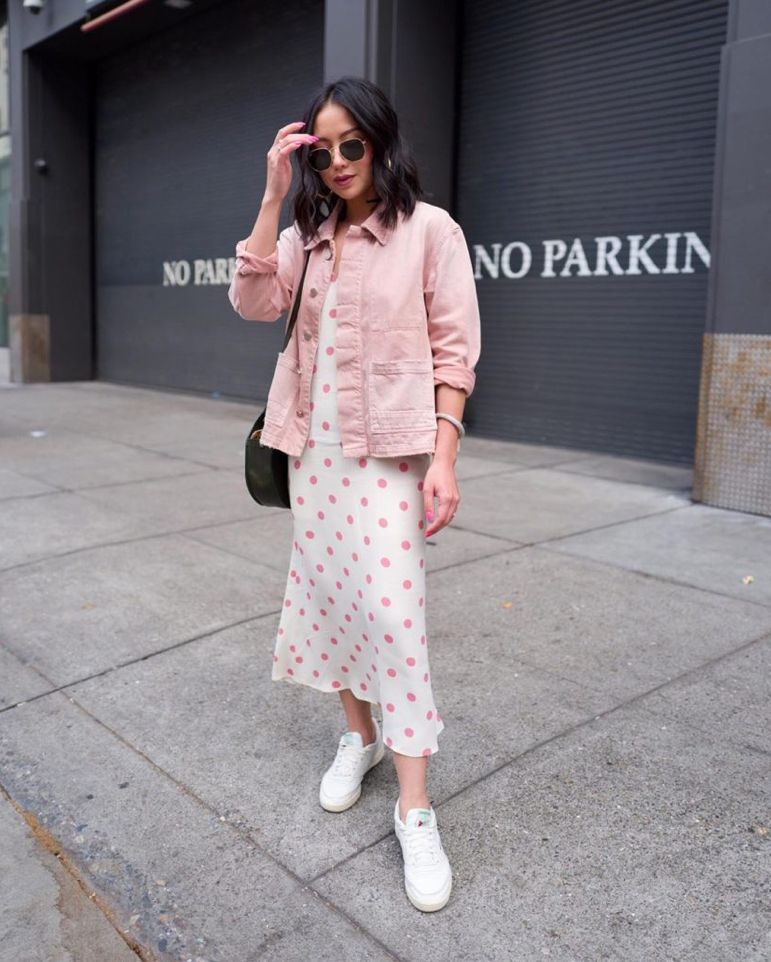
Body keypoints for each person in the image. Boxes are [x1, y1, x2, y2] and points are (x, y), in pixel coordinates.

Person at [227, 76, 481, 912]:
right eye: (322, 150)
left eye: (352, 145)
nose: (337, 162)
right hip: (314, 455)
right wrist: (272, 195)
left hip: (389, 457)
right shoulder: (304, 236)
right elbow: (251, 302)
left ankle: (415, 808)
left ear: (380, 142)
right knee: (335, 599)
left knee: (394, 617)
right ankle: (359, 736)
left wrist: (444, 457)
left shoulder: (430, 231)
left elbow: (454, 351)